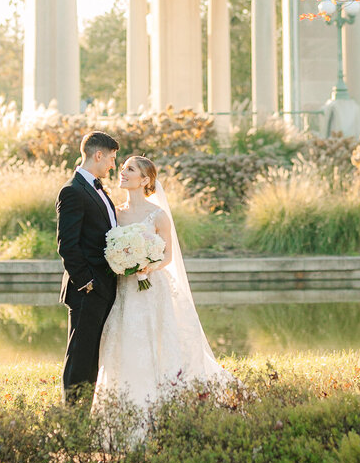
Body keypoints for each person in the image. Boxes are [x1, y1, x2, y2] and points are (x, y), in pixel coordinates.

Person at [92, 155, 233, 433]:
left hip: (152, 288)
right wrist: (120, 262)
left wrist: (146, 265)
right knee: (125, 343)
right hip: (124, 290)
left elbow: (168, 255)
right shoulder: (115, 212)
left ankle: (165, 412)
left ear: (144, 180)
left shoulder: (158, 215)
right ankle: (123, 414)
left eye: (130, 170)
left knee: (157, 341)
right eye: (122, 169)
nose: (123, 173)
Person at [56, 130, 120, 405]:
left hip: (103, 287)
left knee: (92, 353)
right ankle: (72, 415)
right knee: (80, 356)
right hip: (87, 290)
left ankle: (85, 411)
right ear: (98, 155)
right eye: (112, 158)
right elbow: (67, 245)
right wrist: (87, 283)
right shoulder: (72, 191)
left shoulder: (96, 187)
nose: (113, 165)